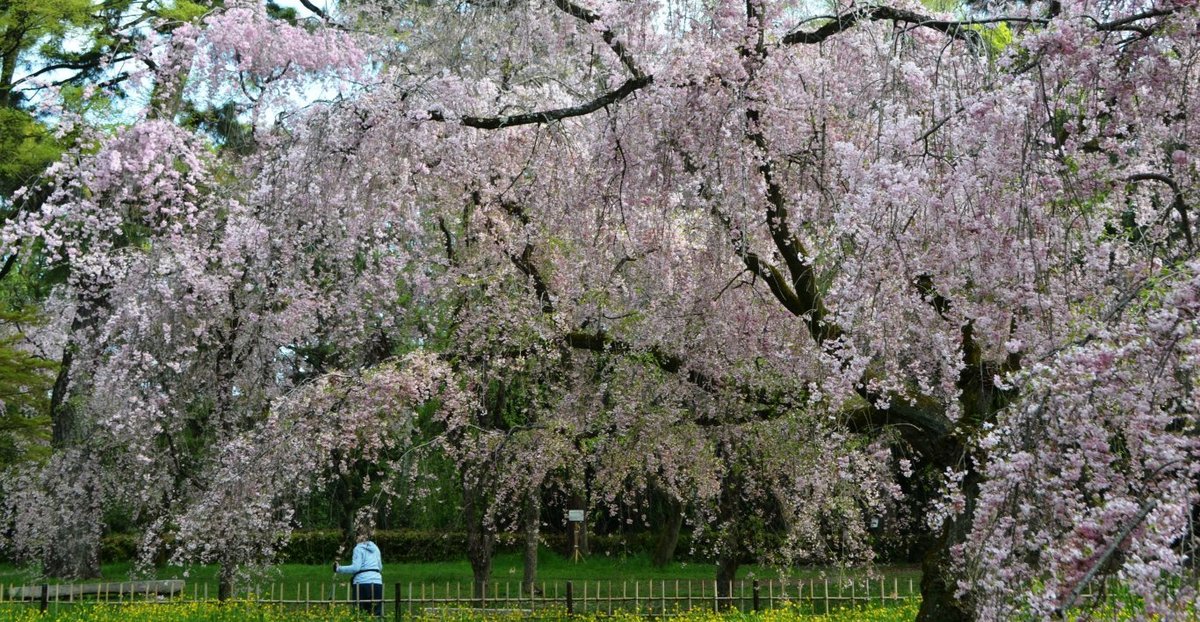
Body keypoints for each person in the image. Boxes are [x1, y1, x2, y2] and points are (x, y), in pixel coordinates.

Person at [334, 520, 384, 617]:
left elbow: (356, 568)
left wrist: (339, 569)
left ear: (358, 536)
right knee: (376, 613)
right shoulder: (376, 548)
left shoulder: (358, 548)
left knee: (360, 613)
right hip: (377, 582)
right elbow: (380, 567)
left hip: (362, 583)